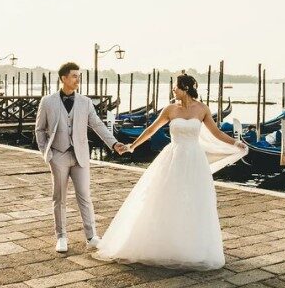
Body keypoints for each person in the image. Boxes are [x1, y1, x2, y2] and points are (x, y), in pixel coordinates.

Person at [95, 73, 247, 270]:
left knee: (194, 200)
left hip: (194, 159)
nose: (173, 90)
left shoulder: (202, 109)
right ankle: (163, 244)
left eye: (175, 86)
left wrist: (236, 143)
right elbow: (151, 129)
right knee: (165, 197)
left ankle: (192, 247)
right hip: (173, 157)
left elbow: (216, 133)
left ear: (184, 88)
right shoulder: (170, 109)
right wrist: (133, 145)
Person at [35, 61, 127, 253]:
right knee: (59, 197)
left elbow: (98, 125)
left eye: (79, 76)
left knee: (84, 196)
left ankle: (92, 236)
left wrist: (114, 143)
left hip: (81, 156)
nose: (78, 79)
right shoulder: (48, 101)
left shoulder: (85, 102)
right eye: (75, 76)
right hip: (58, 155)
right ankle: (61, 237)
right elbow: (39, 129)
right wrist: (47, 153)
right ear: (64, 78)